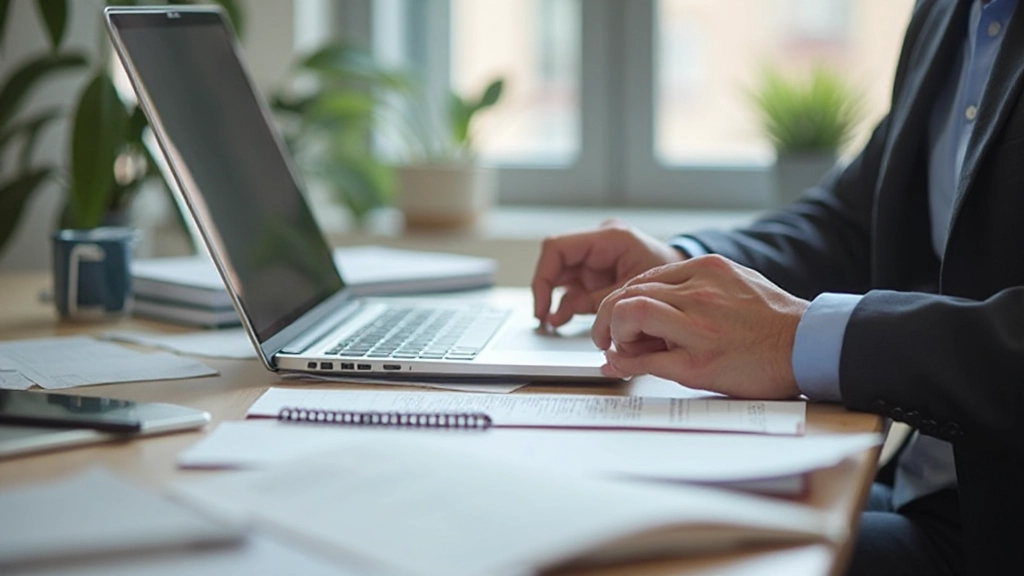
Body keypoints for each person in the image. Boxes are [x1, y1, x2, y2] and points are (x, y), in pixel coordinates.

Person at [531, 1, 1024, 575]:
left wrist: (795, 337)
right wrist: (679, 265)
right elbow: (854, 220)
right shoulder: (951, 11)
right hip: (924, 491)